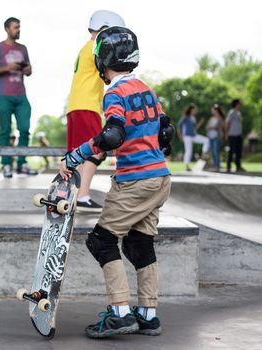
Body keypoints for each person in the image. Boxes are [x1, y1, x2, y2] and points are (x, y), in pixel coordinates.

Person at [60, 26, 174, 338]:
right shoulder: (146, 89)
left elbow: (112, 134)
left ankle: (121, 313)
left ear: (101, 61)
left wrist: (75, 156)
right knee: (139, 243)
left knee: (102, 240)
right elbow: (166, 131)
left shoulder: (114, 92)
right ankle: (148, 315)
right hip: (160, 178)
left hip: (134, 181)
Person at [66, 10, 125, 212]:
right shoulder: (95, 47)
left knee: (80, 153)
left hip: (76, 106)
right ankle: (82, 196)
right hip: (87, 105)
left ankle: (73, 194)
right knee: (97, 151)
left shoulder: (86, 47)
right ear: (105, 29)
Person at [0, 17, 38, 178]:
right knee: (5, 130)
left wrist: (27, 68)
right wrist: (7, 67)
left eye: (19, 27)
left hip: (20, 94)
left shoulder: (23, 48)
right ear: (7, 29)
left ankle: (22, 164)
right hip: (3, 94)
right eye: (15, 27)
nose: (18, 30)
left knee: (24, 128)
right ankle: (6, 164)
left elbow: (28, 72)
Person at [177, 104, 209, 171]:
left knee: (206, 140)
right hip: (187, 136)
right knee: (188, 151)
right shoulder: (185, 117)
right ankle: (187, 166)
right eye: (195, 109)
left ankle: (203, 155)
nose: (196, 111)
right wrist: (180, 135)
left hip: (194, 135)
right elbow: (179, 125)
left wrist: (200, 122)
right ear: (191, 110)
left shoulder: (193, 118)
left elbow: (195, 128)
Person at [226, 99, 246, 172]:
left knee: (238, 151)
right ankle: (228, 166)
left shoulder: (239, 113)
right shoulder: (231, 112)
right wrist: (227, 133)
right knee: (231, 151)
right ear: (236, 104)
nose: (240, 105)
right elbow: (228, 123)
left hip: (238, 135)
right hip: (232, 135)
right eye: (239, 104)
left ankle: (238, 166)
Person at [206, 104, 225, 170]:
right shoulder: (211, 118)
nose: (212, 111)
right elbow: (207, 127)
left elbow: (218, 128)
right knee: (213, 152)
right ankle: (215, 165)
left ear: (216, 110)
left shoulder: (220, 118)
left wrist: (212, 127)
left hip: (217, 137)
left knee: (216, 152)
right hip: (211, 137)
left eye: (213, 109)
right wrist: (211, 128)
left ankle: (217, 165)